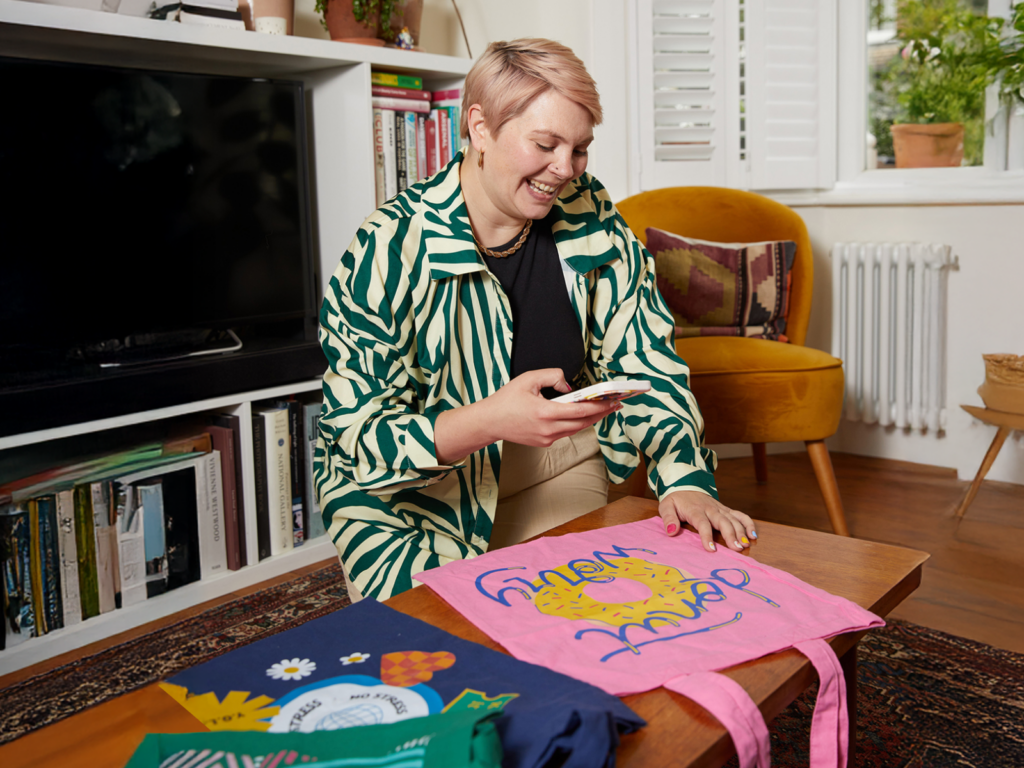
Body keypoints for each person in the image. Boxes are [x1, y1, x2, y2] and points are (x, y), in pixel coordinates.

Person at [314, 38, 756, 602]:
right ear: (479, 127)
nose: (565, 170)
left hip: (555, 462)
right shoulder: (388, 248)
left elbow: (642, 354)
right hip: (409, 498)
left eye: (580, 148)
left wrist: (686, 478)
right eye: (545, 144)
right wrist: (489, 420)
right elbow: (360, 440)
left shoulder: (588, 210)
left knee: (589, 619)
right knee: (445, 655)